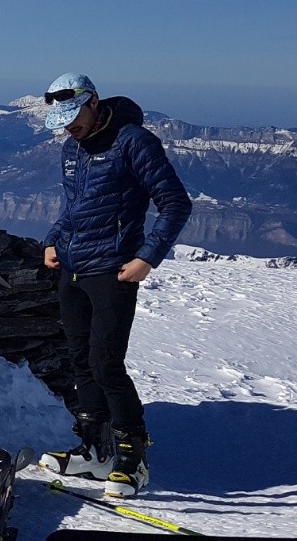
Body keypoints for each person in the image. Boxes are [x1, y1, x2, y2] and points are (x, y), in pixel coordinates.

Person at [36, 73, 192, 498]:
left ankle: (132, 456)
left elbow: (176, 203)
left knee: (106, 360)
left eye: (74, 118)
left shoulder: (133, 142)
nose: (70, 128)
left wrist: (147, 258)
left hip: (112, 268)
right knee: (80, 359)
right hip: (71, 265)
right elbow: (75, 205)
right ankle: (93, 449)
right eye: (63, 121)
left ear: (94, 102)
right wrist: (53, 240)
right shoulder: (74, 148)